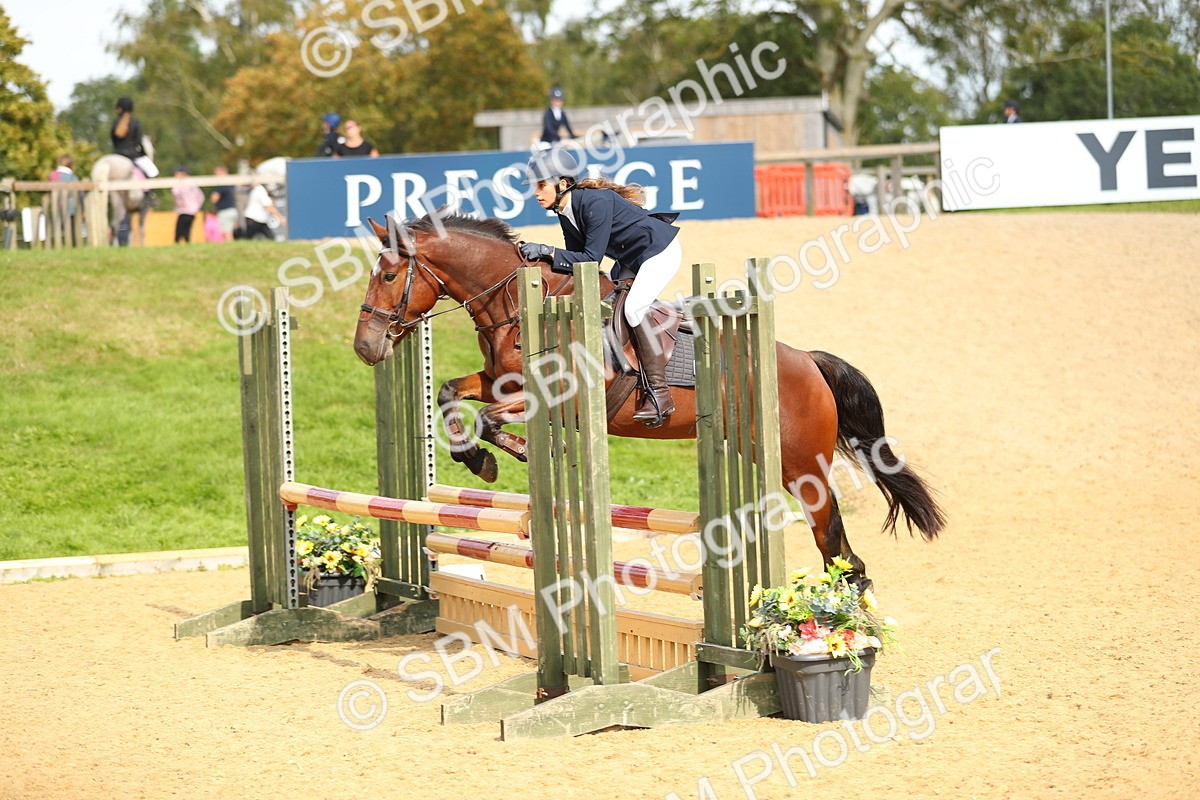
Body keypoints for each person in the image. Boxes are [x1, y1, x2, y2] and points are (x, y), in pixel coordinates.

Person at [518, 148, 682, 426]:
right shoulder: (565, 210)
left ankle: (660, 393)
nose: (536, 192)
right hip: (630, 259)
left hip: (658, 252)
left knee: (633, 309)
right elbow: (576, 265)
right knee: (611, 303)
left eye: (541, 184)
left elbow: (591, 259)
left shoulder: (595, 202)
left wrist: (546, 250)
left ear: (562, 183)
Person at [111, 97, 159, 177]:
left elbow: (113, 140)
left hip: (117, 153)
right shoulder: (135, 122)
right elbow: (138, 141)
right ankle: (148, 189)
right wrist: (143, 153)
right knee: (153, 172)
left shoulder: (115, 122)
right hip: (132, 154)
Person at [170, 166, 205, 244]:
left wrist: (192, 207)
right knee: (185, 231)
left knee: (181, 232)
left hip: (186, 211)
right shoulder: (192, 184)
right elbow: (201, 197)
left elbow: (176, 192)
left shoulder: (184, 184)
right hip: (188, 211)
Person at [209, 166, 238, 242]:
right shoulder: (230, 184)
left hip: (225, 211)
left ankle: (231, 248)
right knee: (229, 232)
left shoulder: (222, 185)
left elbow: (214, 198)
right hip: (232, 210)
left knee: (227, 233)